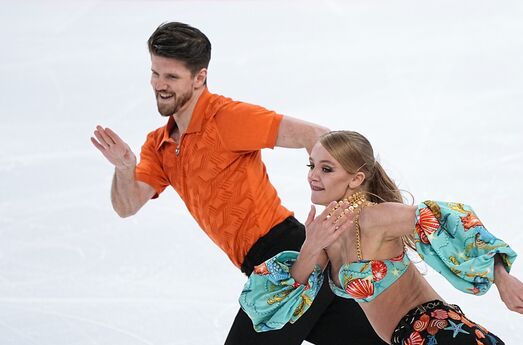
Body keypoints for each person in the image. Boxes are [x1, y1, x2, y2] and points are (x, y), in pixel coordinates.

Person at [91, 22, 387, 344]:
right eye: (155, 73)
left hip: (285, 255)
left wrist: (341, 214)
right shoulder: (160, 145)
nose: (160, 85)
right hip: (271, 260)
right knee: (380, 338)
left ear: (199, 77)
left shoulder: (227, 118)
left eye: (172, 77)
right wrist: (125, 168)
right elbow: (127, 205)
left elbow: (315, 136)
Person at [240, 130, 523, 344]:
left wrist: (501, 277)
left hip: (438, 332)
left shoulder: (375, 217)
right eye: (312, 166)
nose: (313, 175)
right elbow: (273, 302)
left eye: (326, 168)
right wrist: (310, 248)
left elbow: (449, 218)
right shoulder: (326, 233)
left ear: (356, 179)